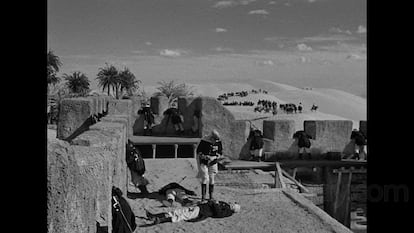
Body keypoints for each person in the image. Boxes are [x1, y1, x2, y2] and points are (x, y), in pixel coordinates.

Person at [145, 199, 241, 225]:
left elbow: (218, 213)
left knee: (182, 216)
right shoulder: (226, 205)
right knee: (177, 211)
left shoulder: (227, 212)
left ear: (233, 210)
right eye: (233, 203)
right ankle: (154, 216)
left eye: (234, 205)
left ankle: (160, 220)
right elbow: (214, 203)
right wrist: (211, 201)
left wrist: (214, 204)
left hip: (201, 212)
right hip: (199, 207)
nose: (232, 204)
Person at [196, 130, 223, 201]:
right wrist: (204, 156)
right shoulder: (204, 141)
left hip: (213, 162)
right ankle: (203, 196)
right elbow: (199, 151)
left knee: (212, 178)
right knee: (204, 177)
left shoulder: (218, 142)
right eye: (214, 139)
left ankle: (211, 196)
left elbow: (220, 152)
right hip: (204, 162)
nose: (214, 142)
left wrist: (214, 157)